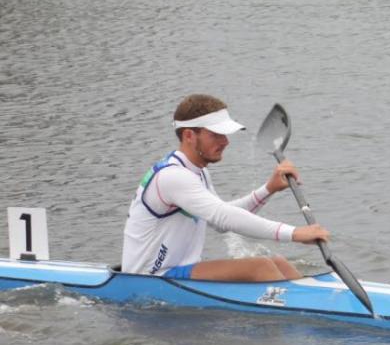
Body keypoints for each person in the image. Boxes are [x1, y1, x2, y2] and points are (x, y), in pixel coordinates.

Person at [122, 94, 330, 282]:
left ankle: (320, 302)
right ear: (189, 136)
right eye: (216, 135)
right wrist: (294, 233)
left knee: (279, 262)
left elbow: (219, 222)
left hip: (177, 272)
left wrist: (269, 188)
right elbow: (223, 216)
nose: (226, 142)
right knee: (261, 266)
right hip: (150, 278)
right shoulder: (173, 177)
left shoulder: (197, 172)